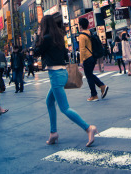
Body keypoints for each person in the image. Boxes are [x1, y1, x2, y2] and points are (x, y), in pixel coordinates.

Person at [34, 14, 98, 147]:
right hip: (62, 72)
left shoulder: (46, 38)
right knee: (49, 101)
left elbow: (36, 52)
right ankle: (53, 133)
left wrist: (37, 36)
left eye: (41, 26)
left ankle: (88, 128)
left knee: (64, 108)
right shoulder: (58, 38)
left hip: (56, 75)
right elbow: (64, 55)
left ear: (44, 26)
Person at [78, 17, 108, 101]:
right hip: (93, 57)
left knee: (89, 77)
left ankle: (94, 95)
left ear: (80, 26)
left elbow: (82, 49)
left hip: (87, 58)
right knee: (90, 75)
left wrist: (81, 61)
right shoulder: (90, 33)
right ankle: (102, 86)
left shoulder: (81, 36)